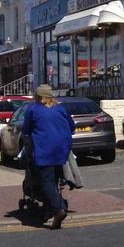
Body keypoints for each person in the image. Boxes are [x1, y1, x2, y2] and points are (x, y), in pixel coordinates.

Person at [22, 85, 75, 229]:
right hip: (62, 149)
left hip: (45, 149)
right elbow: (72, 128)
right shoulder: (61, 108)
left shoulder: (33, 109)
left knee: (47, 181)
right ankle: (51, 208)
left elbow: (26, 130)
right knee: (56, 179)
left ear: (38, 96)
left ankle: (59, 208)